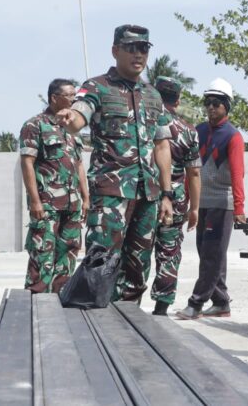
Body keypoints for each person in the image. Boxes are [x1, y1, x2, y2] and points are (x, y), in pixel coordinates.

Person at [56, 24, 173, 303]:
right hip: (111, 194)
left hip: (147, 196)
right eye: (131, 48)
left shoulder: (153, 95)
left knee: (138, 269)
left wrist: (167, 194)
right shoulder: (96, 87)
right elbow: (79, 115)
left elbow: (162, 145)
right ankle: (95, 328)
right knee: (101, 265)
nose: (138, 54)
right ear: (115, 51)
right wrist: (70, 118)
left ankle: (129, 329)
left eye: (143, 48)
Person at [176, 78, 246, 319]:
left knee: (212, 255)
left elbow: (238, 174)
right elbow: (191, 169)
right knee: (208, 253)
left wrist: (239, 207)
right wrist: (188, 200)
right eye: (208, 103)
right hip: (202, 203)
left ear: (227, 106)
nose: (211, 108)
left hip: (221, 204)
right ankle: (221, 301)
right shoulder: (199, 131)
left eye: (217, 103)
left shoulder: (233, 136)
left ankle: (195, 303)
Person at [19, 78, 89, 294]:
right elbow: (27, 163)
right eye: (69, 96)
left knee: (69, 252)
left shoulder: (72, 129)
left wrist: (86, 198)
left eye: (75, 95)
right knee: (43, 252)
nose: (74, 99)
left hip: (73, 204)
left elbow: (78, 166)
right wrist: (35, 201)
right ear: (54, 98)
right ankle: (36, 301)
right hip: (47, 203)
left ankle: (61, 296)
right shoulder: (34, 125)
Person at [150, 76, 202, 316]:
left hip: (147, 194)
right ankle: (162, 306)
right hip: (177, 198)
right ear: (178, 101)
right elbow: (194, 173)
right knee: (169, 252)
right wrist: (194, 209)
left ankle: (126, 303)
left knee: (136, 249)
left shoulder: (145, 122)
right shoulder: (188, 132)